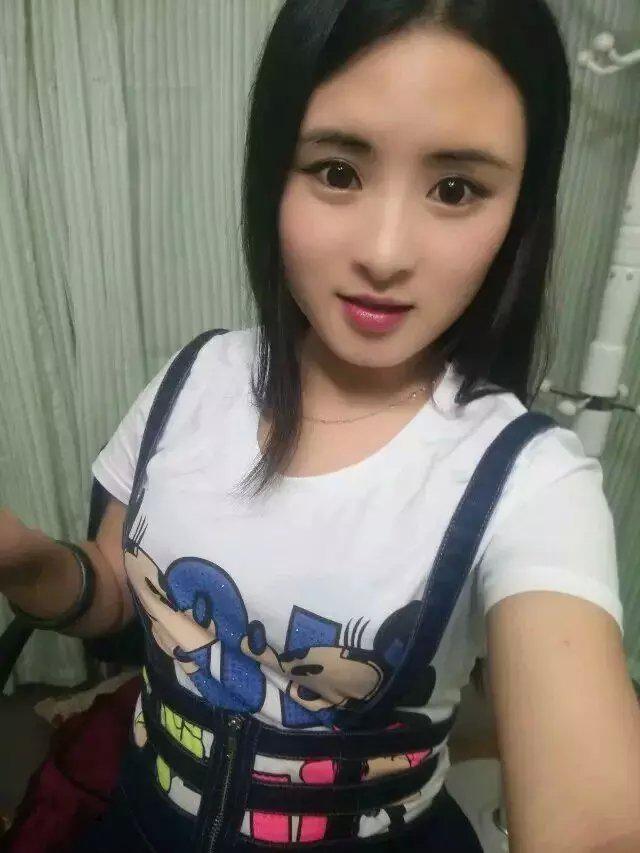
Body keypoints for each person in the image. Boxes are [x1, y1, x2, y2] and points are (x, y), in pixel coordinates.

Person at [1, 0, 639, 851]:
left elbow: (594, 819)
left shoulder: (531, 480)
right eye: (337, 171)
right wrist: (25, 560)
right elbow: (118, 594)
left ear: (519, 211)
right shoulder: (192, 381)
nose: (385, 251)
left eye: (456, 189)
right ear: (274, 170)